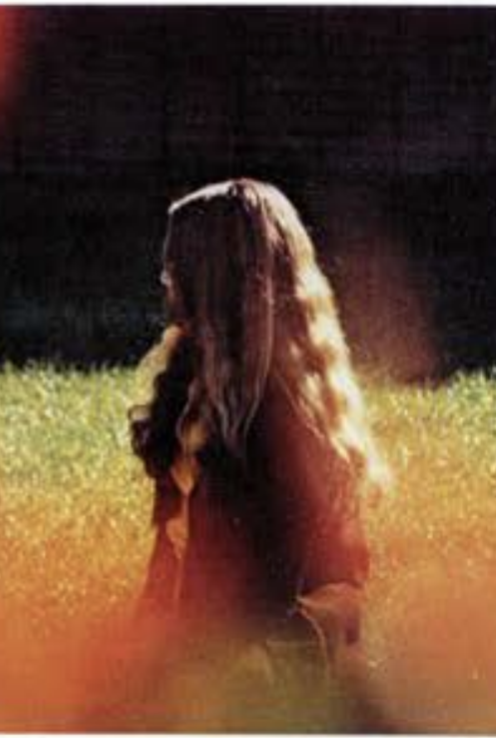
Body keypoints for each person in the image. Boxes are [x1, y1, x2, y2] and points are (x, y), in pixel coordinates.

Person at [123, 178, 389, 730]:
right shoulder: (191, 399)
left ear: (216, 285)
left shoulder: (278, 425)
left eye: (179, 269)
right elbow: (168, 572)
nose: (166, 286)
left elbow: (270, 605)